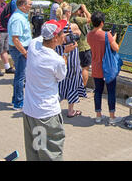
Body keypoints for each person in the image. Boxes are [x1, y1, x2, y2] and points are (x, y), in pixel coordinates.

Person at [22, 19, 76, 161]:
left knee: (35, 151)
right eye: (62, 33)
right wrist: (65, 53)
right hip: (47, 115)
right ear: (55, 38)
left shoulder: (34, 45)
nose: (65, 34)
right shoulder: (56, 60)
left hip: (30, 112)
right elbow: (61, 76)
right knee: (51, 153)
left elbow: (42, 37)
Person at [87, 11, 122, 125]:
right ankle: (112, 117)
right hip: (108, 67)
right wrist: (114, 37)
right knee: (111, 92)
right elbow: (116, 48)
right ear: (102, 22)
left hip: (96, 67)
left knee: (98, 91)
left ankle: (98, 115)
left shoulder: (89, 35)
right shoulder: (107, 35)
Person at [54, 3, 86, 118]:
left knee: (58, 81)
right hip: (71, 57)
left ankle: (55, 107)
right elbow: (79, 36)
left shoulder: (56, 26)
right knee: (72, 81)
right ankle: (71, 110)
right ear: (68, 13)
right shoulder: (73, 26)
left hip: (58, 55)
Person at [8, 0, 33, 110]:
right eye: (29, 4)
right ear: (23, 5)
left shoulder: (21, 16)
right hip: (20, 49)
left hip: (21, 48)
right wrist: (25, 52)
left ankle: (16, 100)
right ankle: (18, 102)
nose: (30, 6)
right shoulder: (18, 18)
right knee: (20, 76)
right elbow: (15, 39)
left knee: (20, 75)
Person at [70, 3, 92, 87]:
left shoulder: (71, 19)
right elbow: (91, 19)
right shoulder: (76, 19)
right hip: (83, 47)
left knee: (76, 67)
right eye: (79, 9)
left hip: (76, 46)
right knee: (85, 67)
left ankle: (75, 86)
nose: (80, 11)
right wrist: (85, 10)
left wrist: (83, 13)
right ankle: (82, 87)